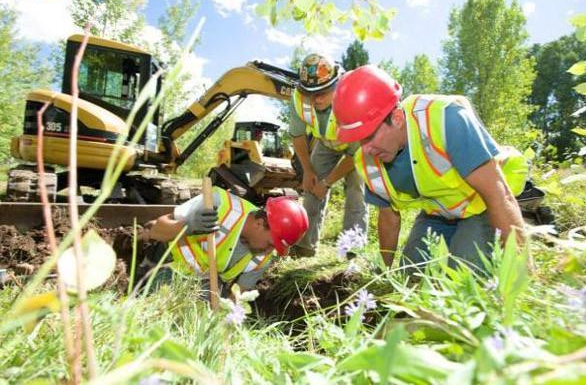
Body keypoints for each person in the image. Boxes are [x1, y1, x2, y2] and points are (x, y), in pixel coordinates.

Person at [331, 65, 528, 273]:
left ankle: (525, 224)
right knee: (410, 276)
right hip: (438, 215)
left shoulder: (445, 118)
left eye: (370, 136)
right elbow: (388, 217)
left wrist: (523, 271)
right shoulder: (367, 160)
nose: (366, 148)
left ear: (397, 118)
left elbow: (498, 195)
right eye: (360, 139)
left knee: (462, 275)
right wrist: (384, 273)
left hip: (483, 207)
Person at [140, 186, 309, 292]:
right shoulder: (218, 204)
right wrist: (187, 227)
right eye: (271, 244)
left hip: (204, 286)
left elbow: (238, 298)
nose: (269, 251)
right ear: (259, 223)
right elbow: (156, 230)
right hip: (169, 267)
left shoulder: (261, 259)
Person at [289, 53, 368, 257]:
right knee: (311, 189)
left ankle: (352, 250)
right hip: (326, 142)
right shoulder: (299, 100)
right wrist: (307, 170)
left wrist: (327, 183)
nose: (317, 99)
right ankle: (305, 246)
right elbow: (298, 136)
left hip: (356, 146)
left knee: (356, 192)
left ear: (338, 84)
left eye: (324, 91)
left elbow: (353, 156)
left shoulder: (353, 99)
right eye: (311, 93)